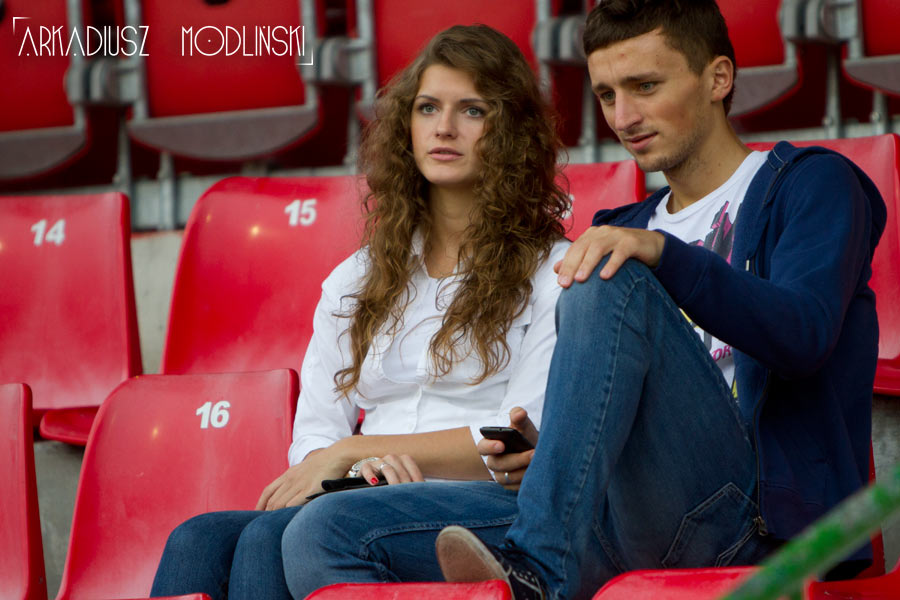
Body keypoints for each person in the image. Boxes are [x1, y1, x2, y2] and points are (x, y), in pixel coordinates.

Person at [434, 2, 887, 599]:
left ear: (717, 78)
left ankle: (537, 570)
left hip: (759, 528)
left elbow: (805, 335)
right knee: (331, 528)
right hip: (630, 519)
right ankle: (540, 551)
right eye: (606, 95)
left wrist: (667, 256)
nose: (623, 117)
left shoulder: (812, 184)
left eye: (645, 86)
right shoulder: (622, 225)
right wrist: (559, 458)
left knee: (606, 271)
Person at [149, 24, 570, 600]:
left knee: (272, 537)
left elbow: (517, 436)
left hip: (486, 502)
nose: (444, 127)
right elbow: (316, 432)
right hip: (362, 492)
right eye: (427, 108)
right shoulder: (358, 277)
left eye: (472, 110)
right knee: (197, 539)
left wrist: (356, 450)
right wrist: (354, 470)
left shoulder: (552, 271)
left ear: (512, 133)